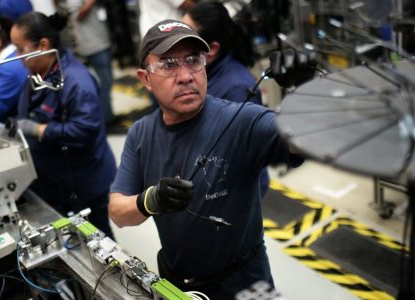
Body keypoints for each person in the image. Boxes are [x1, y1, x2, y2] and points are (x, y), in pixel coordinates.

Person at [108, 19, 303, 298]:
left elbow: (302, 139)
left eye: (193, 60)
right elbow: (118, 212)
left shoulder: (239, 121)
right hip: (177, 283)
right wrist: (151, 199)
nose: (186, 75)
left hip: (243, 284)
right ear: (145, 79)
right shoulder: (141, 134)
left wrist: (307, 95)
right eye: (168, 64)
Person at [10, 11, 116, 237]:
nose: (17, 57)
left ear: (43, 45)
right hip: (56, 180)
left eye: (20, 49)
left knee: (97, 237)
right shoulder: (37, 74)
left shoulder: (77, 82)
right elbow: (25, 111)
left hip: (84, 182)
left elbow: (84, 130)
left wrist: (38, 129)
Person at [182, 1, 270, 198]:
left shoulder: (236, 89)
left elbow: (243, 156)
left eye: (186, 38)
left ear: (211, 49)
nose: (176, 42)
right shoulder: (202, 73)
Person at [54, 0, 115, 124]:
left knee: (105, 82)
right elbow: (77, 15)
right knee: (103, 82)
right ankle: (105, 120)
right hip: (92, 45)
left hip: (99, 41)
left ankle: (107, 117)